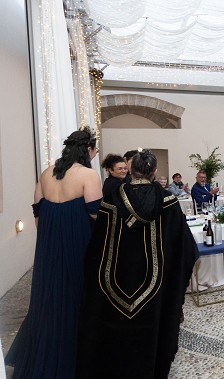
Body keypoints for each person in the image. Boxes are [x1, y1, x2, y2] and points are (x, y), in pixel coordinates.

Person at [76, 149, 198, 378]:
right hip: (156, 284)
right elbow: (183, 247)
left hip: (115, 281)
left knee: (117, 328)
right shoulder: (168, 201)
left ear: (131, 170)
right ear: (154, 171)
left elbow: (99, 243)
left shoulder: (111, 199)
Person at [5, 127, 102, 379]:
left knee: (50, 300)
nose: (95, 154)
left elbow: (39, 216)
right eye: (94, 150)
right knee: (76, 298)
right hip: (78, 246)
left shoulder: (46, 173)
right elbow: (97, 216)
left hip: (49, 248)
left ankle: (45, 354)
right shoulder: (88, 175)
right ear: (87, 149)